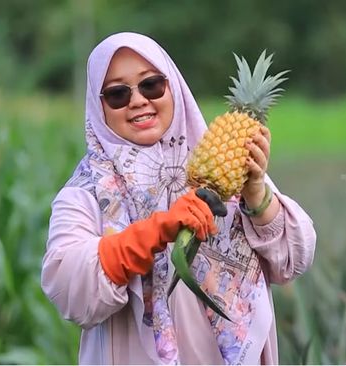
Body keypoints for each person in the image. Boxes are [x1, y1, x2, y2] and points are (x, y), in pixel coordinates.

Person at [40, 31, 317, 365]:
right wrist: (156, 232)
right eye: (117, 94)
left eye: (151, 85)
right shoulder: (85, 192)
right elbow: (69, 288)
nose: (138, 100)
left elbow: (293, 259)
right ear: (99, 108)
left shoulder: (223, 163)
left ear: (174, 87)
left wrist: (257, 193)